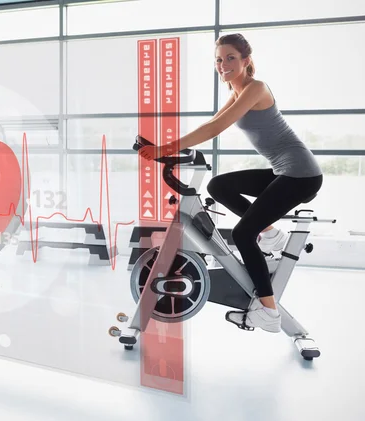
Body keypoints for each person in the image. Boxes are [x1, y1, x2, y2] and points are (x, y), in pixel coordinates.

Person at [138, 33, 323, 333]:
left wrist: (164, 149)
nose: (223, 65)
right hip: (283, 172)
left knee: (243, 233)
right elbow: (211, 122)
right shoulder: (238, 93)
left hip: (301, 174)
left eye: (230, 58)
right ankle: (272, 235)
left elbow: (215, 127)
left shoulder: (256, 88)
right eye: (219, 60)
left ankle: (268, 312)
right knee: (218, 186)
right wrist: (173, 148)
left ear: (246, 60)